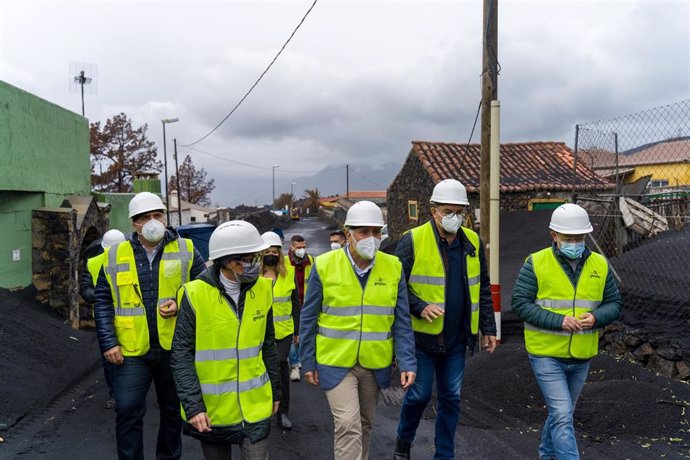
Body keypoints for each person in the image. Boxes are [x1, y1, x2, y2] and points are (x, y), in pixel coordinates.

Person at [300, 200, 417, 460]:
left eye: (376, 232)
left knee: (365, 424)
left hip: (374, 362)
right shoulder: (324, 265)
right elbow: (308, 317)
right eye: (364, 232)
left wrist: (408, 360)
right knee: (347, 425)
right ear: (348, 233)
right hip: (335, 361)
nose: (371, 238)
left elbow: (401, 320)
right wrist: (307, 360)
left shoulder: (394, 267)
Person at [94, 191, 206, 460]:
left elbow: (204, 288)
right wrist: (108, 342)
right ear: (134, 223)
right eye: (145, 217)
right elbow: (102, 300)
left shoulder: (185, 248)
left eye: (157, 215)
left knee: (171, 411)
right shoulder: (115, 255)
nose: (153, 221)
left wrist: (181, 305)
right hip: (132, 350)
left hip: (175, 348)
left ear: (165, 218)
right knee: (128, 409)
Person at [394, 179, 497, 460]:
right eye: (448, 211)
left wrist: (488, 327)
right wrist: (419, 306)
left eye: (459, 212)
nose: (454, 217)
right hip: (422, 338)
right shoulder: (412, 240)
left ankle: (444, 454)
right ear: (433, 211)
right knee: (418, 396)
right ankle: (403, 443)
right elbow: (396, 285)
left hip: (457, 337)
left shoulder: (472, 241)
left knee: (451, 397)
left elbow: (482, 286)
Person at [511, 203, 621, 460]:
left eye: (580, 238)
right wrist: (558, 321)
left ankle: (546, 455)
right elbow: (520, 303)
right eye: (568, 238)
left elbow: (614, 304)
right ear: (554, 236)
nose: (575, 243)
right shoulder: (536, 263)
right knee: (562, 414)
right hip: (546, 354)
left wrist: (595, 317)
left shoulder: (600, 265)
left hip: (581, 355)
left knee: (562, 413)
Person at [170, 221, 281, 460]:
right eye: (248, 258)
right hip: (213, 411)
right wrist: (194, 406)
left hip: (255, 408)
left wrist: (276, 391)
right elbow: (181, 354)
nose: (255, 264)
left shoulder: (263, 289)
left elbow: (268, 344)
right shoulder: (194, 294)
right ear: (228, 261)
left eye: (256, 256)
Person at [80, 228, 126, 409]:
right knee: (110, 358)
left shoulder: (133, 259)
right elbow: (86, 289)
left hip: (128, 318)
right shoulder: (94, 263)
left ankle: (126, 391)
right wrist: (103, 295)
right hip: (106, 318)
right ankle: (115, 394)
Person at [260, 231, 299, 431]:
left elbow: (295, 303)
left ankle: (283, 411)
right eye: (267, 251)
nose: (271, 254)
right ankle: (265, 408)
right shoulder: (252, 276)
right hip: (259, 333)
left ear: (280, 253)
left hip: (283, 331)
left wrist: (297, 330)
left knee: (280, 363)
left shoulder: (288, 273)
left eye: (274, 251)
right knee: (264, 370)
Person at [284, 234, 314, 382]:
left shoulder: (311, 261)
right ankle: (295, 365)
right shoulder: (284, 263)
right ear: (291, 247)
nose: (302, 250)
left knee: (305, 334)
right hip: (290, 303)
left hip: (307, 304)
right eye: (298, 247)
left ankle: (305, 362)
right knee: (293, 336)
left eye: (303, 247)